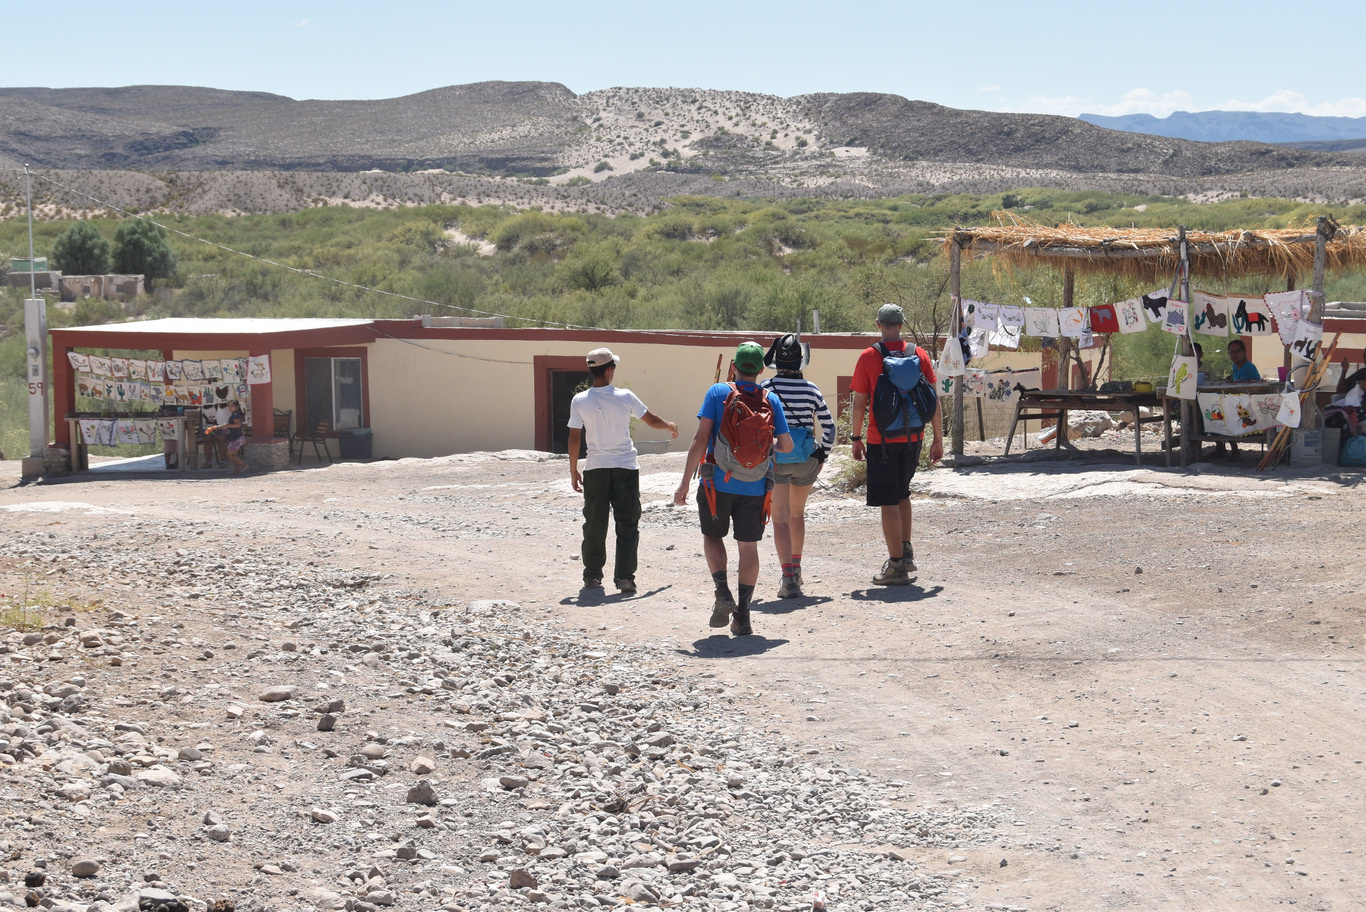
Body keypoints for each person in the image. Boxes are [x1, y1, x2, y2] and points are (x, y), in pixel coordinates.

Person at [673, 341, 793, 636]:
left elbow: (701, 439)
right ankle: (744, 615)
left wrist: (685, 481)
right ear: (761, 370)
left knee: (713, 536)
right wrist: (766, 447)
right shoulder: (771, 399)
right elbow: (786, 446)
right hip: (756, 487)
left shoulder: (717, 392)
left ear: (733, 367)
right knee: (748, 547)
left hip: (717, 483)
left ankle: (722, 591)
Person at [568, 347, 678, 595]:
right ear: (609, 370)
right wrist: (670, 425)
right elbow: (650, 419)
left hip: (595, 469)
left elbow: (574, 437)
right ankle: (625, 579)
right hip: (626, 469)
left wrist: (573, 468)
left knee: (594, 524)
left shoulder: (580, 400)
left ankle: (593, 576)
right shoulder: (625, 396)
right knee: (627, 524)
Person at [848, 303, 942, 585]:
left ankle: (896, 566)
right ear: (901, 324)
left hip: (882, 440)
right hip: (914, 437)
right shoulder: (919, 354)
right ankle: (906, 550)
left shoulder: (868, 356)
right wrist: (938, 439)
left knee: (887, 499)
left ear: (879, 324)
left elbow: (859, 403)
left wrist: (856, 437)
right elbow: (934, 401)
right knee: (903, 493)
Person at [760, 333, 835, 599]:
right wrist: (822, 456)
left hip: (777, 459)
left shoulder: (766, 387)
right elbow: (830, 427)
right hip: (806, 461)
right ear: (801, 360)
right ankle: (798, 568)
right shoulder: (812, 389)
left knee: (779, 519)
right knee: (796, 515)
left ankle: (788, 577)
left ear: (776, 360)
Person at [207, 399, 250, 474]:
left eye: (232, 406)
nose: (230, 408)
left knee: (229, 454)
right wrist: (218, 427)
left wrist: (228, 425)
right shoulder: (234, 414)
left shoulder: (235, 415)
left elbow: (238, 425)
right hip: (237, 437)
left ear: (237, 407)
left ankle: (244, 465)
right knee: (234, 455)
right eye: (229, 406)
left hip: (236, 438)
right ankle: (236, 470)